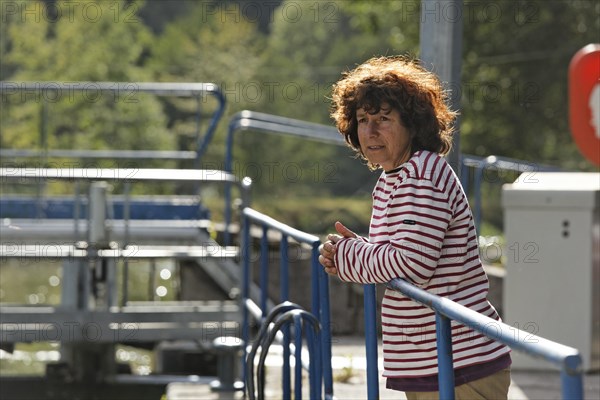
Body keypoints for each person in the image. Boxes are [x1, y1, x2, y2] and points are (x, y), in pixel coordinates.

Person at [319, 56, 512, 400]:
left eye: (383, 119)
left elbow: (412, 264)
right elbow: (402, 251)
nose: (371, 131)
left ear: (413, 123)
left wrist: (351, 257)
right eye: (363, 120)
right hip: (437, 363)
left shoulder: (421, 175)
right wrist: (350, 254)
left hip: (459, 365)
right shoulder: (398, 176)